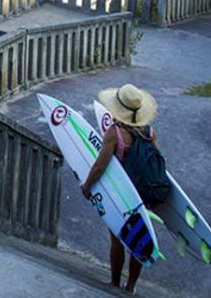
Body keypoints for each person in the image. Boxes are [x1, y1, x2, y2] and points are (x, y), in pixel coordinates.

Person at [80, 84, 162, 294]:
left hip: (122, 194)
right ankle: (131, 286)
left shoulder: (115, 133)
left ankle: (115, 283)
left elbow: (100, 165)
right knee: (139, 237)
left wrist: (87, 185)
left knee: (117, 238)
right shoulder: (150, 132)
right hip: (145, 193)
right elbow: (156, 162)